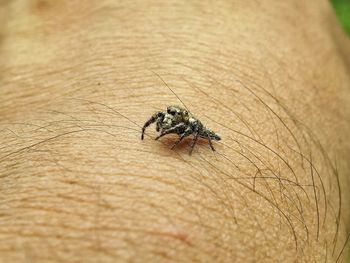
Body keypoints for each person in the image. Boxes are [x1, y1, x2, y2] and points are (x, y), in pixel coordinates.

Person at [0, 0, 349, 262]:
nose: (166, 118)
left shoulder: (190, 127)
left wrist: (186, 146)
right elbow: (162, 118)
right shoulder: (168, 116)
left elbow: (192, 135)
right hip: (188, 129)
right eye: (166, 116)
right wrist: (147, 131)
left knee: (200, 133)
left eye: (171, 117)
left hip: (202, 134)